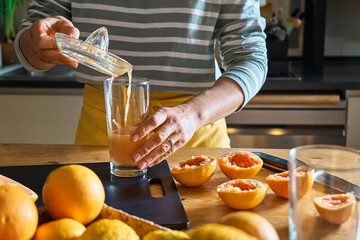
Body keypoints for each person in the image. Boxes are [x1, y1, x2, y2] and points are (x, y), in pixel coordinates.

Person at [15, 0, 267, 170]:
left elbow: (251, 58)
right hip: (100, 138)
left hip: (195, 130)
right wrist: (37, 45)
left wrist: (194, 114)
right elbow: (31, 38)